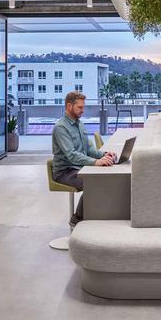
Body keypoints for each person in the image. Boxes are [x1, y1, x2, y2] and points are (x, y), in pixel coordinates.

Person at [51, 91, 116, 228]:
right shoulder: (61, 128)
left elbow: (89, 149)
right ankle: (77, 219)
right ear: (69, 106)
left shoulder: (79, 124)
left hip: (79, 167)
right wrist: (95, 162)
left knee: (106, 177)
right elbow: (72, 155)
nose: (83, 110)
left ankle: (97, 216)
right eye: (79, 107)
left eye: (83, 107)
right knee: (93, 182)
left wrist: (104, 155)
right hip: (65, 171)